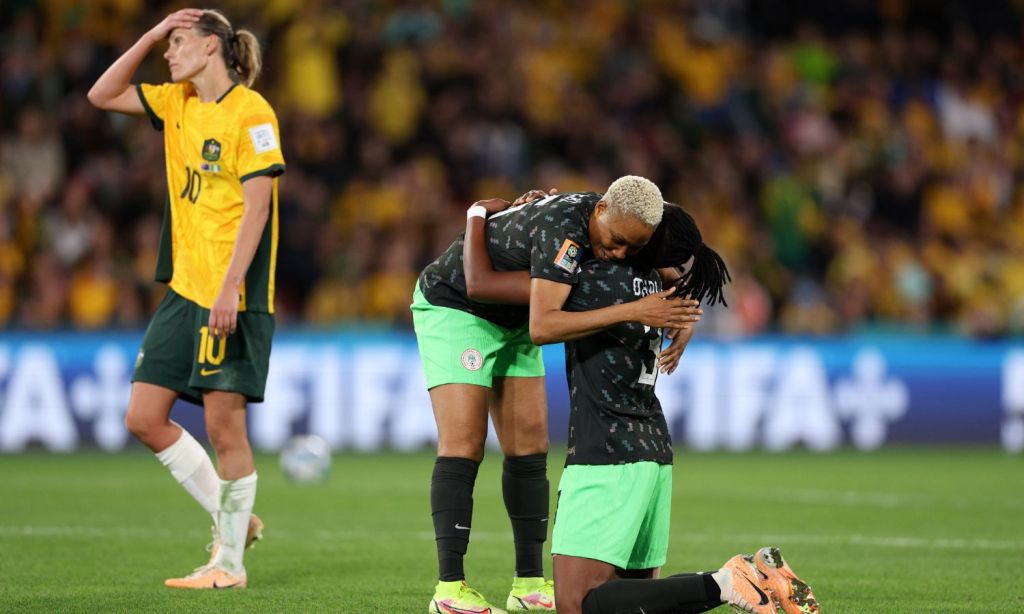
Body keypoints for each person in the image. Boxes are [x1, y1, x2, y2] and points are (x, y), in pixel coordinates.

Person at [463, 201, 819, 614]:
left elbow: (483, 285)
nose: (612, 247)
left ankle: (727, 581)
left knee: (578, 603)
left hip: (606, 454)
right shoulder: (655, 282)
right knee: (634, 605)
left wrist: (475, 216)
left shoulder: (592, 277)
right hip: (652, 455)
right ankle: (755, 577)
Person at [413, 176, 698, 613]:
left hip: (520, 316)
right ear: (600, 209)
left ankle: (527, 584)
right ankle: (449, 590)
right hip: (457, 307)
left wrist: (685, 311)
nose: (618, 253)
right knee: (465, 444)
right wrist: (474, 214)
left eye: (630, 249)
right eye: (616, 241)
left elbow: (666, 267)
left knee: (529, 446)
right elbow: (523, 313)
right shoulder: (562, 227)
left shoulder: (612, 225)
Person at [88, 8, 285, 589]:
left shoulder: (253, 113)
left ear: (209, 48)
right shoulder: (175, 104)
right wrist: (149, 33)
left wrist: (230, 288)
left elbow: (259, 207)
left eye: (176, 43)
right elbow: (102, 94)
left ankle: (228, 566)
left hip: (233, 292)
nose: (167, 54)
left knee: (226, 428)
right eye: (165, 44)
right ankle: (237, 522)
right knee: (144, 417)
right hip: (183, 290)